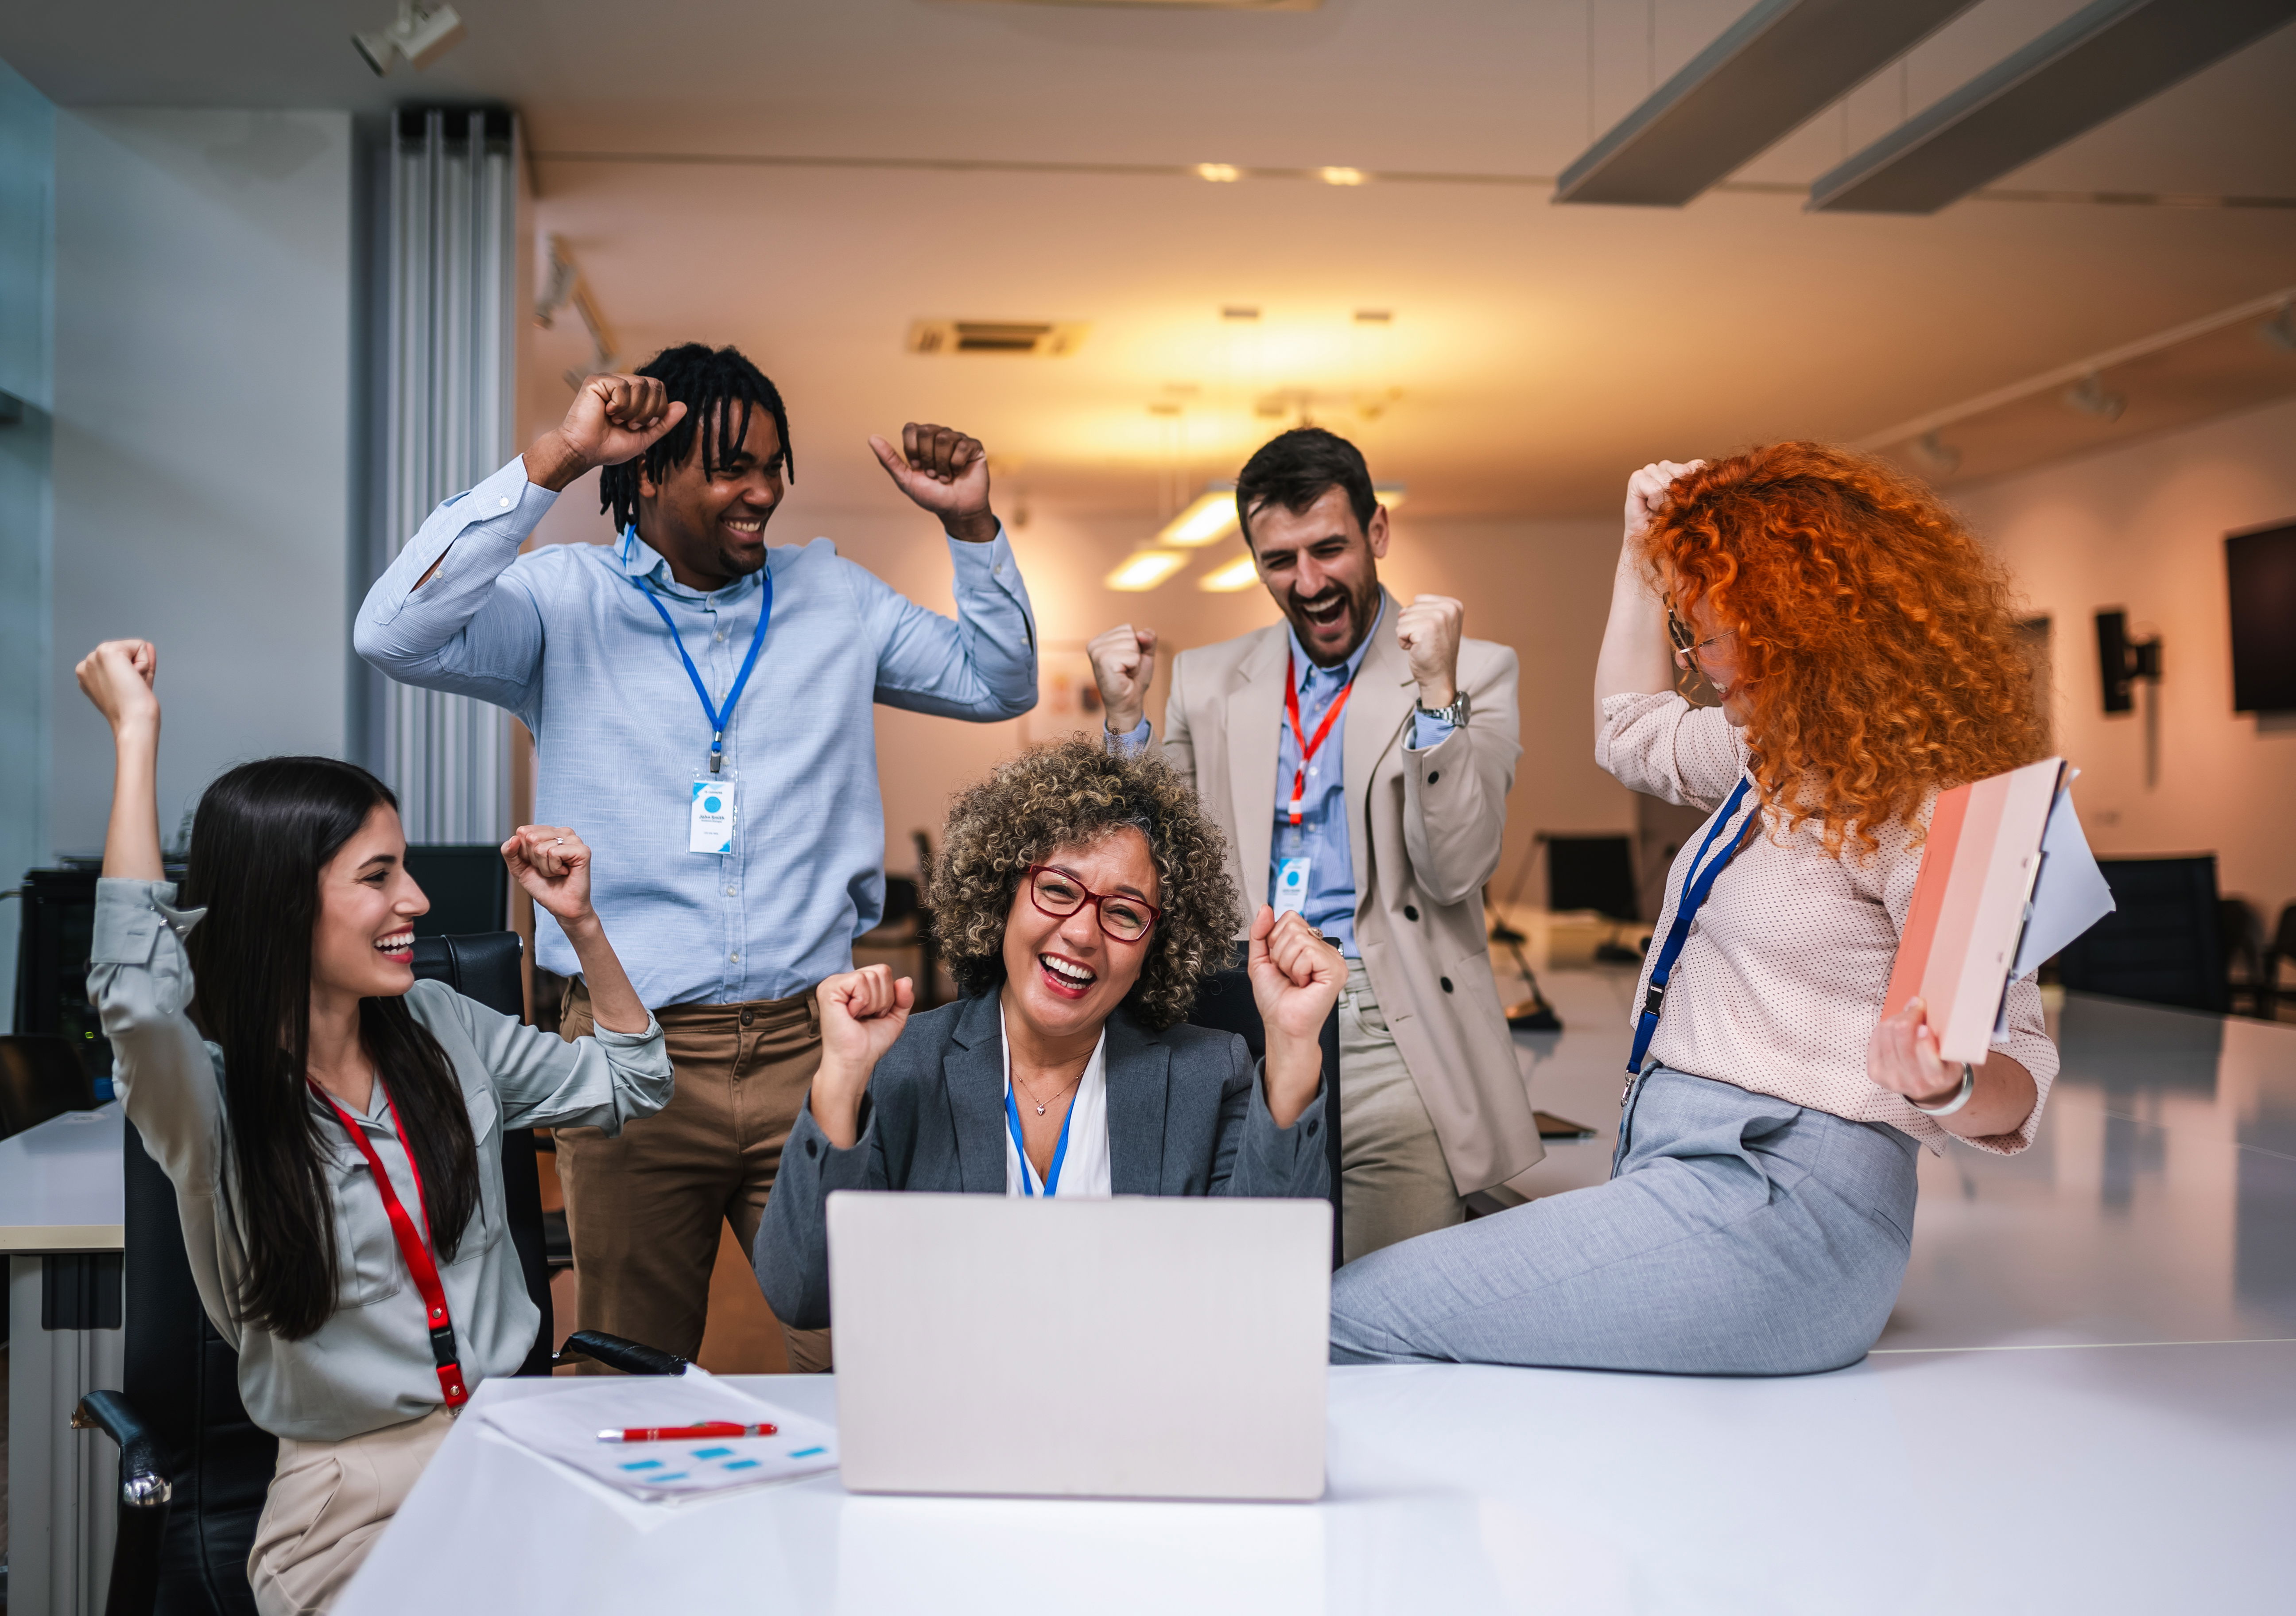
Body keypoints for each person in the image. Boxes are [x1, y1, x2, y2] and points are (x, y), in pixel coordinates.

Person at [353, 345, 1038, 1372]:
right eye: (729, 467)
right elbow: (394, 633)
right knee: (628, 1374)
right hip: (632, 1062)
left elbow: (999, 682)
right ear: (647, 474)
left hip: (817, 1053)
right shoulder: (562, 600)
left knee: (859, 1362)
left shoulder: (834, 599)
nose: (760, 490)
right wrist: (558, 456)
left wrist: (972, 528)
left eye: (772, 465)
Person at [1327, 443, 2063, 1374]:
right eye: (1689, 630)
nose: (1696, 661)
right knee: (1390, 1300)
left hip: (1785, 1212)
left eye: (1711, 637)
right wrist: (1640, 554)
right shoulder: (1779, 752)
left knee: (1352, 1315)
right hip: (1694, 1180)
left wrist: (1946, 1080)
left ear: (1802, 627)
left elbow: (2021, 1067)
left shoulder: (1935, 797)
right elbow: (1631, 731)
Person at [75, 639, 671, 1615]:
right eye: (378, 876)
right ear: (283, 902)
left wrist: (583, 929)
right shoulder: (210, 1096)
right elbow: (138, 1003)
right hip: (348, 1509)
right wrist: (136, 735)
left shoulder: (439, 1027)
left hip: (519, 1456)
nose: (417, 902)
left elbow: (632, 1083)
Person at [1086, 427, 1539, 1262]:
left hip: (1388, 1025)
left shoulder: (1472, 670)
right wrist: (1123, 726)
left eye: (1329, 549)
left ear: (1378, 535)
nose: (1309, 582)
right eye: (1280, 560)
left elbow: (1456, 868)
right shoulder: (1209, 680)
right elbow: (1153, 865)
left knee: (1392, 1305)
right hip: (1239, 1015)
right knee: (1246, 1292)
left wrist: (1438, 699)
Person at [753, 738, 1346, 1329]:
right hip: (955, 1408)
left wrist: (1294, 1045)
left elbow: (1266, 1287)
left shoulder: (1210, 1073)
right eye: (1059, 890)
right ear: (1001, 895)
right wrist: (842, 1079)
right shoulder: (902, 1065)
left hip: (1138, 1406)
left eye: (1124, 913)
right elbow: (803, 1294)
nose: (1083, 934)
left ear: (1155, 947)